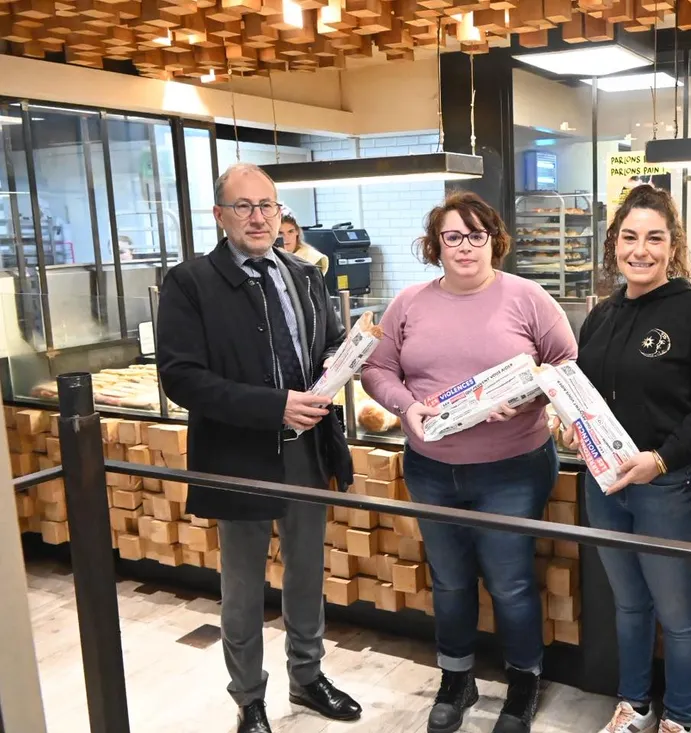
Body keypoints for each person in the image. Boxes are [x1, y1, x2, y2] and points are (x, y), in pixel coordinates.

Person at [361, 191, 577, 733]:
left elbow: (566, 363)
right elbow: (377, 370)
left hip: (512, 467)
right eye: (453, 236)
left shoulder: (528, 299)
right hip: (431, 467)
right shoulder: (408, 302)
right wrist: (406, 407)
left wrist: (531, 398)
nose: (465, 247)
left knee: (510, 582)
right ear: (436, 245)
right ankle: (456, 677)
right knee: (451, 580)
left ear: (494, 241)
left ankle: (523, 682)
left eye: (476, 235)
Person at [157, 162, 360, 733]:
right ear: (220, 216)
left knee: (305, 576)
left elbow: (324, 345)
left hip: (307, 450)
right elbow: (181, 378)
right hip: (238, 457)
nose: (257, 217)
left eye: (267, 205)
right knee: (243, 588)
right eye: (243, 206)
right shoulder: (190, 282)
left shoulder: (303, 274)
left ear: (280, 213)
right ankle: (249, 699)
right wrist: (274, 407)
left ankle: (308, 675)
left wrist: (347, 353)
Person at [563, 185, 691, 733]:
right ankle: (634, 706)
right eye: (629, 237)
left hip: (669, 488)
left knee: (677, 614)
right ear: (614, 242)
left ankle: (679, 719)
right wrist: (572, 427)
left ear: (672, 245)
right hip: (605, 483)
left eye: (654, 238)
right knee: (629, 606)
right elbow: (587, 394)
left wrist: (661, 460)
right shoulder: (601, 315)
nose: (640, 250)